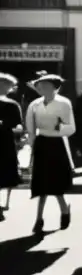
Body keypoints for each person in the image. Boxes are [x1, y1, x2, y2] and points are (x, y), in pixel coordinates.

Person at [25, 74, 76, 233]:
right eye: (39, 86)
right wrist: (31, 147)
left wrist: (56, 128)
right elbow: (30, 128)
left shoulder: (64, 103)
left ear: (55, 87)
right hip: (42, 144)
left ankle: (65, 210)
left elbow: (71, 128)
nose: (41, 89)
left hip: (57, 144)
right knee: (41, 185)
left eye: (46, 86)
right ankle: (39, 219)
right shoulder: (34, 105)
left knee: (56, 184)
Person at [0, 73, 24, 219]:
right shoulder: (12, 104)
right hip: (6, 141)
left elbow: (18, 124)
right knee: (6, 171)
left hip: (5, 140)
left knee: (7, 171)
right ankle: (5, 202)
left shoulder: (12, 104)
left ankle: (5, 201)